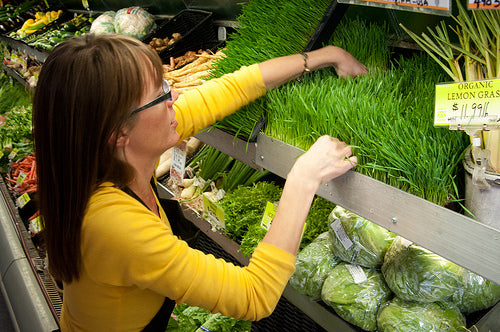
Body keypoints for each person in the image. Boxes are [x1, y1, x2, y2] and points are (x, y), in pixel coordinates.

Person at [33, 33, 366, 331]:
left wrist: (323, 56)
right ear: (118, 133)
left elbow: (228, 89)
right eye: (160, 94)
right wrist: (303, 178)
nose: (175, 96)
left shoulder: (109, 157)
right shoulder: (113, 225)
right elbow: (254, 295)